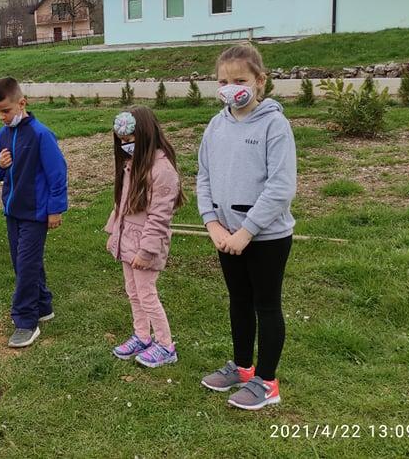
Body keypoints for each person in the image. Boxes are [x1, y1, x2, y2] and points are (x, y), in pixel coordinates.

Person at [197, 44, 297, 411]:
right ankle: (242, 368)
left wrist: (247, 231)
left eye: (239, 80)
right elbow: (204, 176)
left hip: (266, 237)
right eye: (223, 81)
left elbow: (281, 186)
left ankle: (267, 382)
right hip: (225, 234)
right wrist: (212, 224)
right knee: (238, 302)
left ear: (260, 81)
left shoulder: (274, 124)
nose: (230, 87)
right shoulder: (216, 125)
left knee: (266, 305)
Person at [0, 77, 68, 348]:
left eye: (6, 111)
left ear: (22, 103)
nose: (1, 116)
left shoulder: (40, 135)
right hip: (13, 212)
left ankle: (26, 322)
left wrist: (55, 209)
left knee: (26, 265)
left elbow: (57, 173)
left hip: (35, 213)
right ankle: (44, 306)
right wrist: (0, 164)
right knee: (22, 262)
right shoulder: (2, 135)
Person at [105, 107, 185, 368]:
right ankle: (142, 336)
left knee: (147, 294)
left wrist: (146, 251)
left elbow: (158, 219)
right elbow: (122, 206)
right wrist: (113, 234)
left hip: (145, 247)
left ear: (147, 135)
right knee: (133, 292)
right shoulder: (132, 166)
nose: (126, 146)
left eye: (130, 140)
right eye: (122, 142)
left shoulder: (163, 172)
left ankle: (165, 345)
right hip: (128, 242)